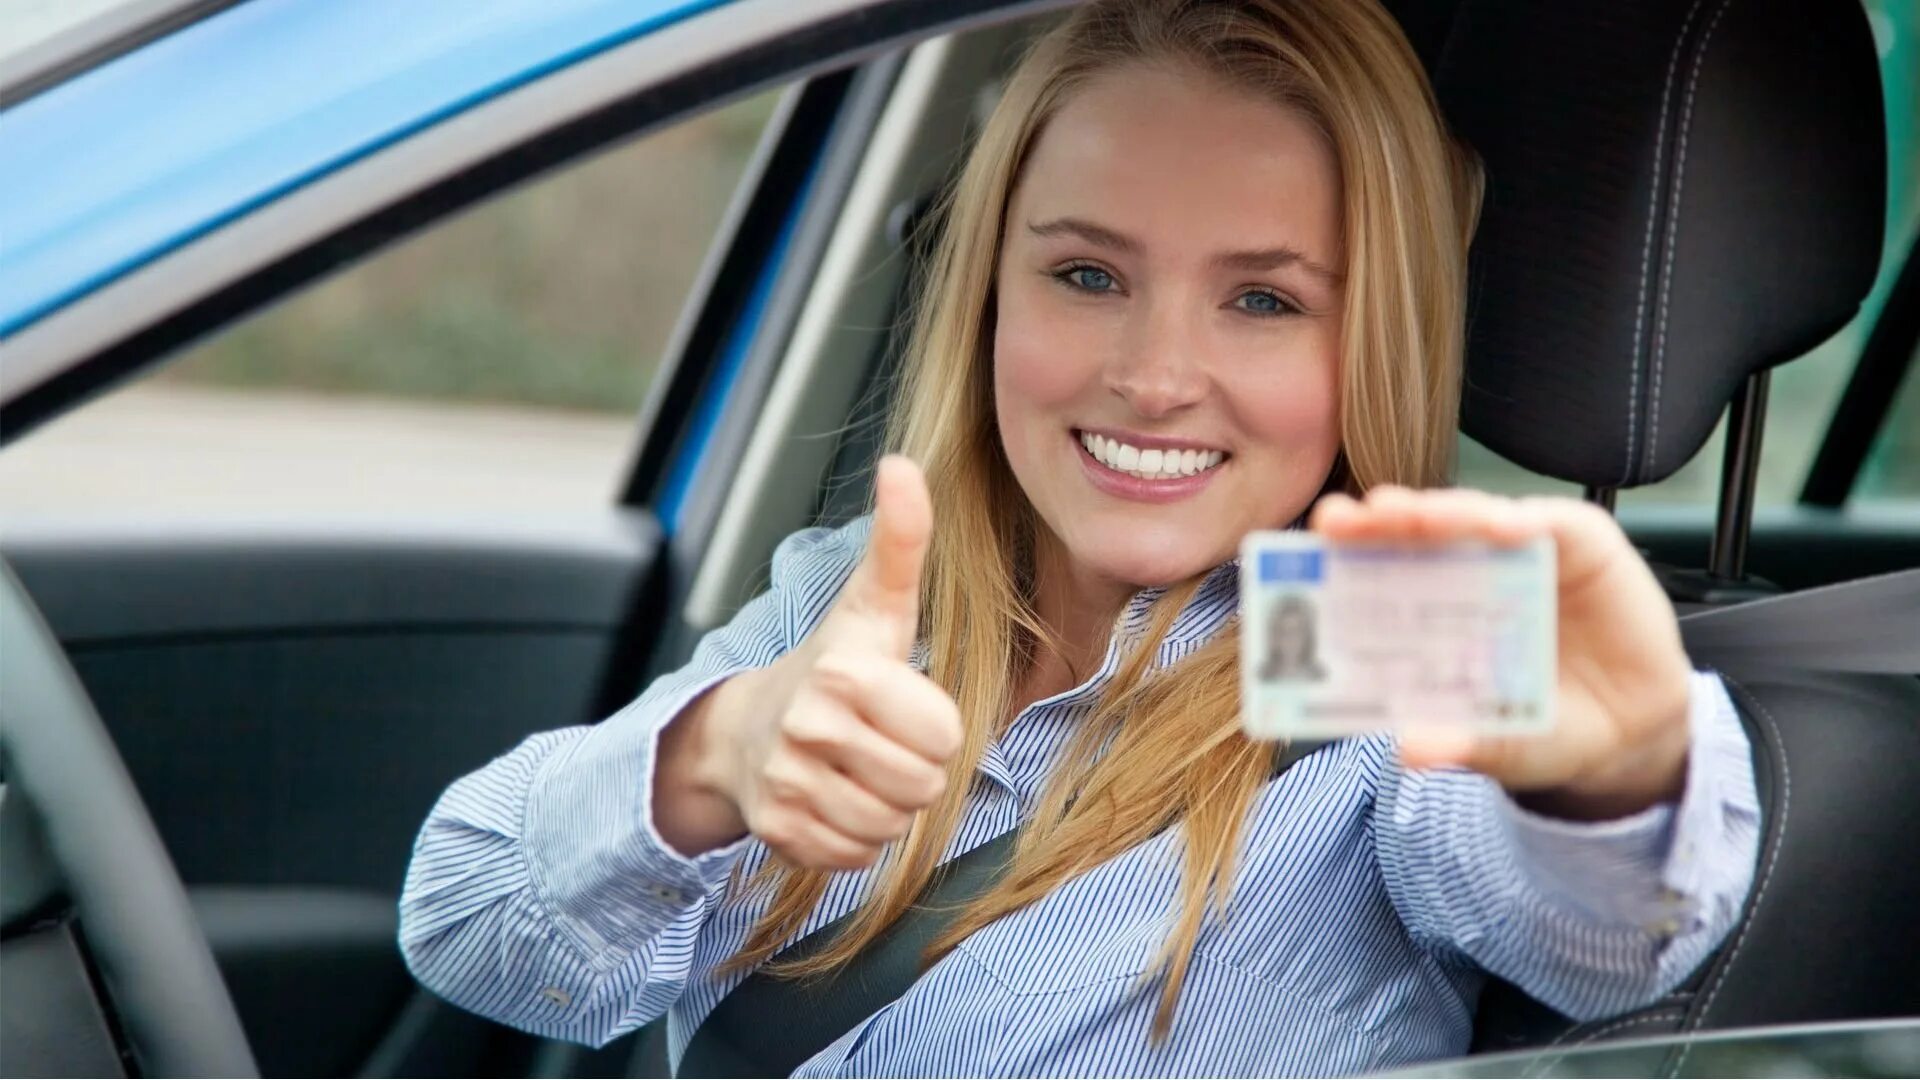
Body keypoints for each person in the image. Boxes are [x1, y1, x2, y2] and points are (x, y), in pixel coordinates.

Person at [398, 0, 1761, 1074]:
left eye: (1266, 302)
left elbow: (1606, 935)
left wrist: (1617, 779)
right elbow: (468, 923)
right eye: (1088, 275)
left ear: (1375, 342)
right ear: (989, 289)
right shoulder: (860, 608)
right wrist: (716, 757)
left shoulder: (1380, 626)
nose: (1157, 375)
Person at [1258, 593, 1326, 682]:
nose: (1291, 639)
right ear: (1275, 637)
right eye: (1284, 631)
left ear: (1306, 637)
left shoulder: (1318, 677)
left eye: (1297, 631)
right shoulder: (1262, 676)